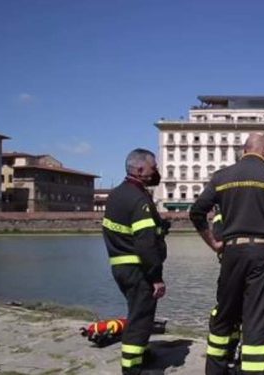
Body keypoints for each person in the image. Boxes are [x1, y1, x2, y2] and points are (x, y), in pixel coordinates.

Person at [190, 133, 264, 375]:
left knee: (225, 312)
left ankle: (216, 369)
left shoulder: (222, 176)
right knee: (256, 316)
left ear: (244, 150)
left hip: (231, 252)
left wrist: (213, 243)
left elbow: (197, 212)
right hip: (262, 252)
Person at [102, 148, 169, 375]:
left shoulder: (117, 195)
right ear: (140, 170)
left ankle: (142, 352)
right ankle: (131, 367)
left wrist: (160, 227)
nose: (156, 171)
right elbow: (145, 243)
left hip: (120, 265)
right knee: (140, 318)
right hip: (138, 268)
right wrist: (156, 277)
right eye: (153, 167)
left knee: (137, 311)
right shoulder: (139, 198)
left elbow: (125, 231)